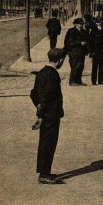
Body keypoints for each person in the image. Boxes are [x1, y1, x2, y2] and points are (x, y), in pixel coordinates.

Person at [30, 48, 65, 184]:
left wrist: (38, 108)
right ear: (60, 60)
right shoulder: (53, 75)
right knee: (48, 144)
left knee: (45, 143)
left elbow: (33, 94)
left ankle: (45, 171)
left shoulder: (42, 72)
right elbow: (47, 97)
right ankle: (44, 174)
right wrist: (41, 115)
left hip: (46, 113)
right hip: (51, 115)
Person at [63, 18, 89, 86]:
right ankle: (72, 81)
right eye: (80, 24)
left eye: (82, 24)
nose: (82, 25)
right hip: (73, 51)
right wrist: (79, 43)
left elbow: (88, 40)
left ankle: (79, 81)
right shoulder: (71, 31)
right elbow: (68, 42)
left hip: (82, 52)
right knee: (75, 66)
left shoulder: (84, 31)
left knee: (81, 66)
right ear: (75, 24)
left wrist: (87, 50)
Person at [89, 19, 103, 85]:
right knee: (95, 66)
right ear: (96, 23)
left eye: (101, 22)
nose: (99, 23)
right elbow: (90, 41)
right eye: (98, 22)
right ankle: (93, 81)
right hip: (96, 50)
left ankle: (101, 80)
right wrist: (91, 51)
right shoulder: (93, 30)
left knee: (101, 66)